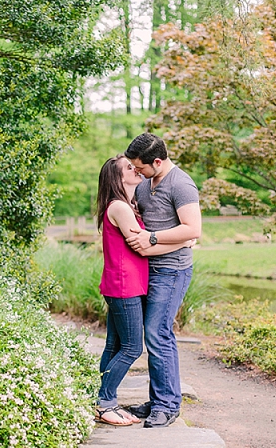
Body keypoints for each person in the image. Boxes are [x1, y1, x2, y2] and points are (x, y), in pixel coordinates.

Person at [94, 154, 193, 426]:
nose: (136, 170)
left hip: (120, 284)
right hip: (125, 286)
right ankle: (105, 402)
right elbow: (142, 245)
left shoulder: (123, 205)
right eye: (129, 168)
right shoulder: (121, 208)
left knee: (114, 345)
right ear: (118, 178)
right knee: (131, 348)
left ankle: (102, 398)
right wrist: (184, 242)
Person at [123, 133, 201, 428]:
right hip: (147, 270)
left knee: (158, 334)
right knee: (154, 335)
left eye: (139, 167)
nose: (136, 172)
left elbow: (193, 229)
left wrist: (152, 238)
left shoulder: (181, 184)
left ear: (157, 161)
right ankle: (158, 400)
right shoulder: (144, 186)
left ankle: (168, 406)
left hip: (172, 271)